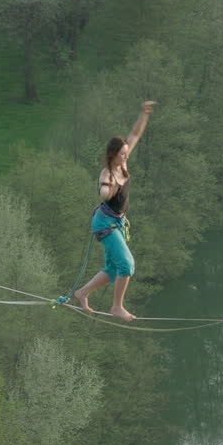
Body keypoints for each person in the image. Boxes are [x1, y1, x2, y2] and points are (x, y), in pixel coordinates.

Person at [74, 100, 157, 321]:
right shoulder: (108, 173)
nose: (126, 157)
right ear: (113, 155)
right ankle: (116, 307)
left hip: (117, 223)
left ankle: (82, 293)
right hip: (104, 224)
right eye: (122, 154)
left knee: (113, 268)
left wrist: (144, 114)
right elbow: (103, 189)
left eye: (126, 154)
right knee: (127, 265)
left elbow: (135, 134)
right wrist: (106, 191)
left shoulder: (123, 165)